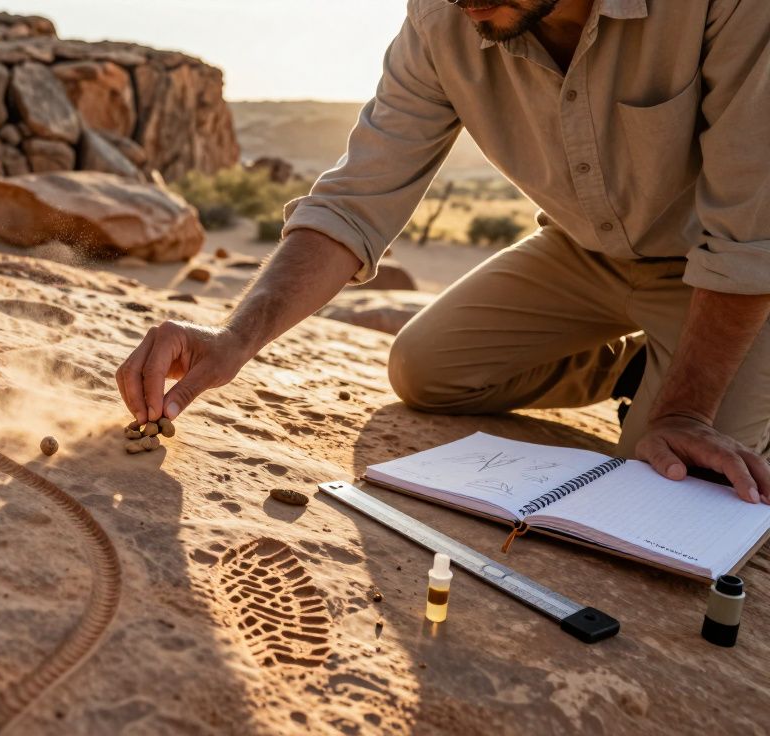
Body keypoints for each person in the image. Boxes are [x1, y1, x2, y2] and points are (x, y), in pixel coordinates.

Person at [116, 0, 770, 502]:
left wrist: (684, 410)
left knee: (664, 492)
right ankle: (634, 370)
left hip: (728, 279)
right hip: (583, 254)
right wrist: (234, 337)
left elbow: (752, 230)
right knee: (424, 369)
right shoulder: (442, 19)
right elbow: (354, 202)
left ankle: (688, 377)